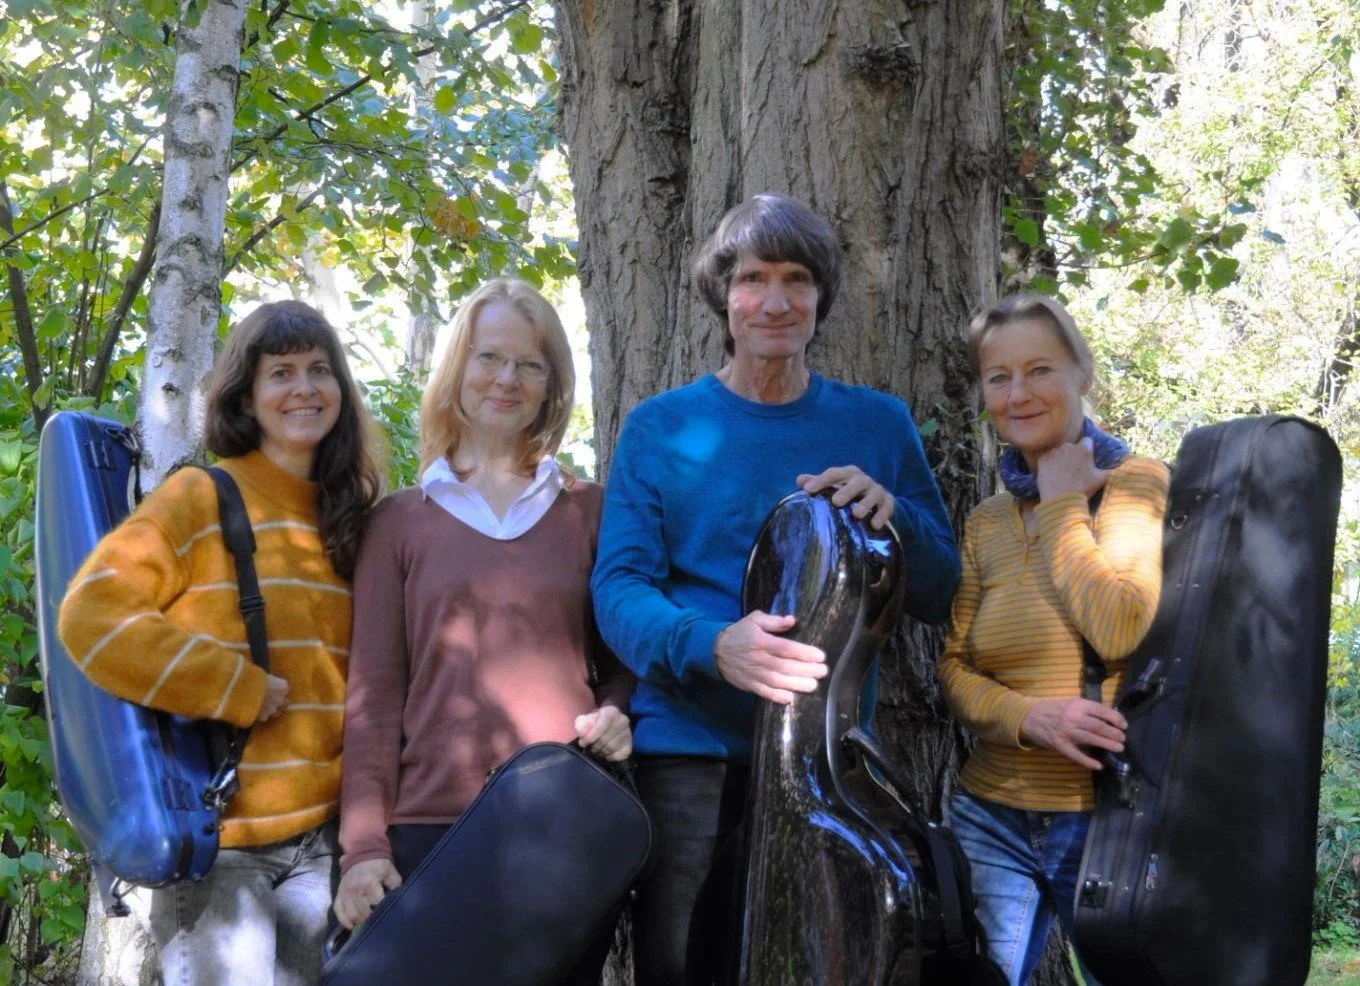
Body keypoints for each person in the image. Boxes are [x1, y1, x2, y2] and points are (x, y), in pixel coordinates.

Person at [591, 193, 961, 985]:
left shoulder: (878, 425)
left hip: (831, 760)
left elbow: (943, 591)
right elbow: (619, 586)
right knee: (682, 968)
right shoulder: (659, 427)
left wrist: (893, 519)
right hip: (690, 757)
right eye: (753, 278)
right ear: (723, 297)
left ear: (821, 297)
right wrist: (711, 645)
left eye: (797, 279)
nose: (775, 301)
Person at [58, 301, 384, 986]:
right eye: (282, 373)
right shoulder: (201, 497)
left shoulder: (349, 517)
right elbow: (91, 616)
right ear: (247, 395)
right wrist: (229, 686)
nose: (304, 389)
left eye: (320, 370)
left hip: (322, 847)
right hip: (224, 845)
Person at [333, 278, 634, 981]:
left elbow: (622, 664)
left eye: (530, 365)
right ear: (457, 371)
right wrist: (364, 849)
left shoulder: (591, 510)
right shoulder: (398, 522)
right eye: (490, 358)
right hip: (431, 833)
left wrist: (621, 711)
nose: (508, 379)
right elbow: (372, 700)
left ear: (552, 385)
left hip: (563, 828)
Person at [937, 295, 1171, 985]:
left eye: (1040, 369)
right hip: (988, 816)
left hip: (1102, 821)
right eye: (998, 377)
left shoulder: (1136, 483)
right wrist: (1029, 715)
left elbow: (1120, 624)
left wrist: (1067, 499)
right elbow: (953, 668)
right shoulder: (987, 521)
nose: (1019, 393)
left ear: (1082, 377)